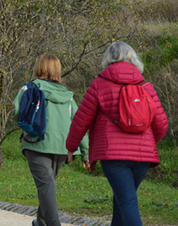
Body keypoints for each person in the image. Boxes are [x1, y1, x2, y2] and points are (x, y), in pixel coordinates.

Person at [66, 42, 168, 226]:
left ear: (107, 59)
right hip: (143, 157)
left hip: (113, 155)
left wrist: (71, 148)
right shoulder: (146, 86)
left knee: (127, 202)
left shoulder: (99, 85)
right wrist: (148, 145)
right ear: (133, 58)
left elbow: (81, 121)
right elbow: (161, 124)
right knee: (121, 200)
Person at [12, 54, 89, 226]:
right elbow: (79, 123)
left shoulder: (29, 88)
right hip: (62, 148)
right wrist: (86, 152)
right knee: (47, 186)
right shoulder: (68, 96)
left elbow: (16, 111)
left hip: (37, 143)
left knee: (46, 187)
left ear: (39, 68)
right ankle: (41, 222)